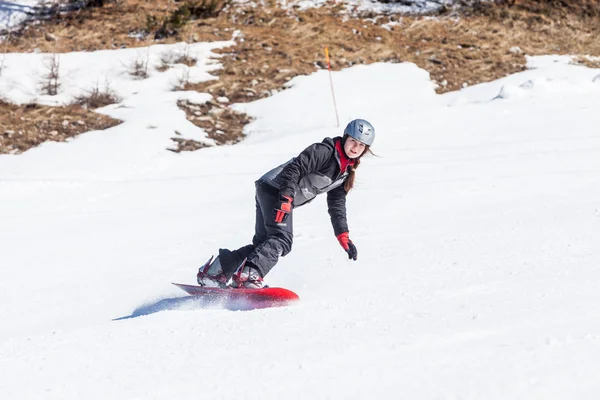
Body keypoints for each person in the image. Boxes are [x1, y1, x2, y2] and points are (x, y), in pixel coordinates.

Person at [197, 118, 375, 289]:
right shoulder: (325, 151)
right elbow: (294, 168)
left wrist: (343, 236)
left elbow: (337, 205)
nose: (355, 147)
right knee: (281, 239)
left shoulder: (345, 171)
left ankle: (216, 271)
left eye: (361, 145)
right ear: (345, 138)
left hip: (272, 190)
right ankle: (250, 274)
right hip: (275, 189)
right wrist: (285, 198)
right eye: (353, 141)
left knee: (263, 244)